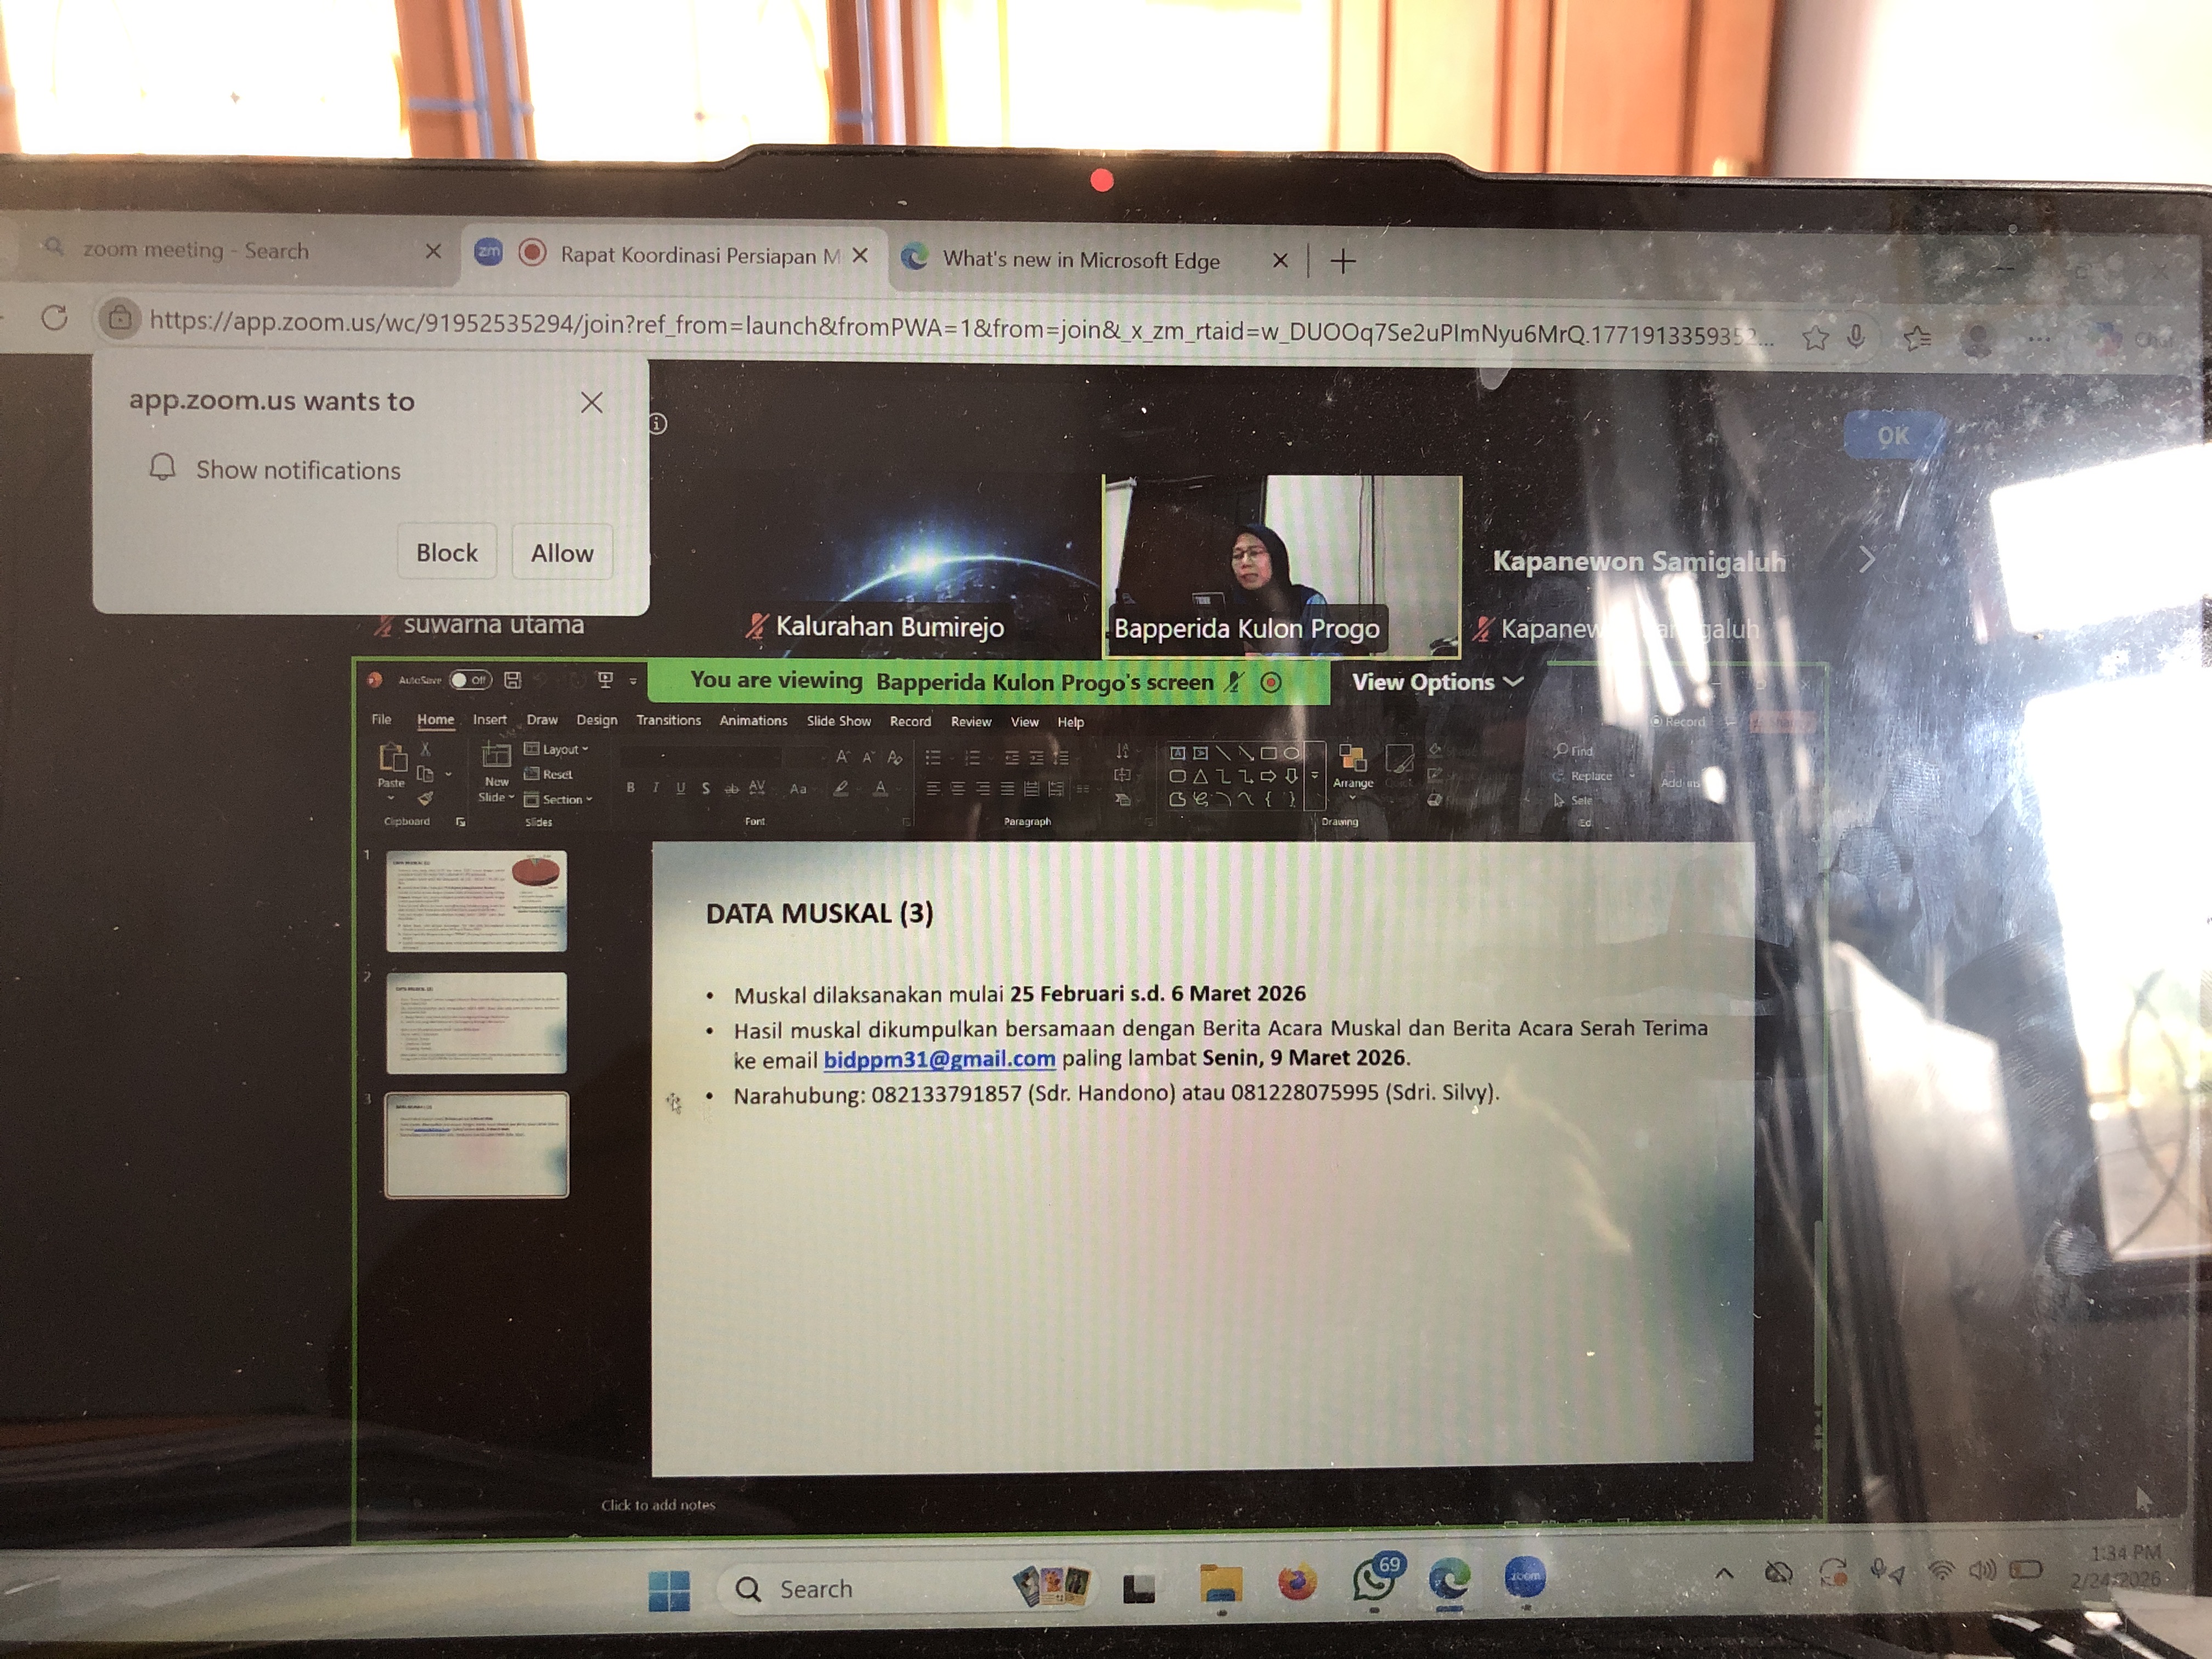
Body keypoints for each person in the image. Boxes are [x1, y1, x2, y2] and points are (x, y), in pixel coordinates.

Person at [1222, 522, 1326, 654]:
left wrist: (1268, 663)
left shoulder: (1309, 602)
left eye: (1255, 553)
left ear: (1276, 557)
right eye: (1238, 556)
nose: (1245, 563)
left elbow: (1328, 661)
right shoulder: (1229, 606)